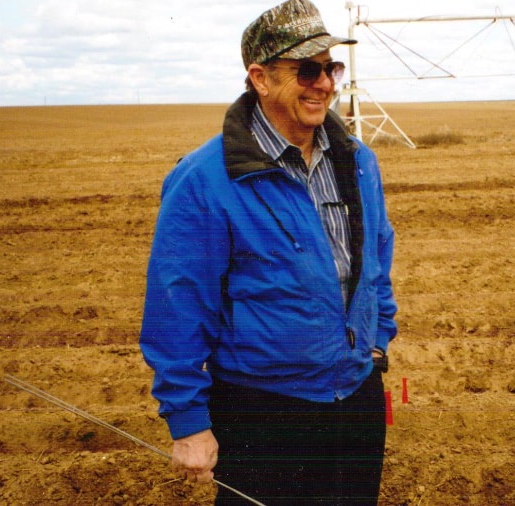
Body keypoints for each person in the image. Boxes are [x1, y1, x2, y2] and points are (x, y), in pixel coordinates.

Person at [139, 0, 397, 503]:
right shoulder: (205, 180)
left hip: (356, 397)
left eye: (330, 68)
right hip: (262, 412)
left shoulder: (359, 162)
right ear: (259, 78)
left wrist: (378, 338)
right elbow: (177, 305)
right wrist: (188, 420)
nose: (323, 84)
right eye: (306, 70)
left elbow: (377, 262)